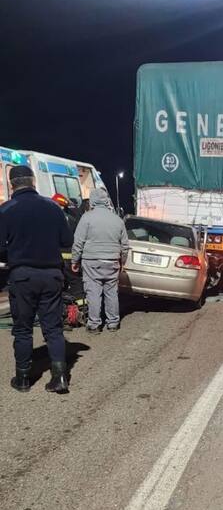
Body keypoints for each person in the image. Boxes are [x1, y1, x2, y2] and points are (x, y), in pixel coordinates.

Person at [0, 165, 73, 393]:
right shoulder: (53, 208)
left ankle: (23, 379)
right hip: (52, 275)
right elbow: (66, 240)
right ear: (33, 182)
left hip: (22, 276)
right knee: (53, 328)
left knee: (22, 329)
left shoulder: (6, 210)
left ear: (12, 184)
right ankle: (60, 377)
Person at [71, 188, 129, 332]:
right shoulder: (117, 220)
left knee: (93, 292)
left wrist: (74, 260)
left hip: (91, 261)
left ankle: (94, 324)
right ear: (107, 201)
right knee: (111, 291)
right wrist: (123, 262)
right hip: (112, 261)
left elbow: (78, 242)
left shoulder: (87, 218)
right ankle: (113, 323)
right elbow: (125, 245)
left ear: (92, 201)